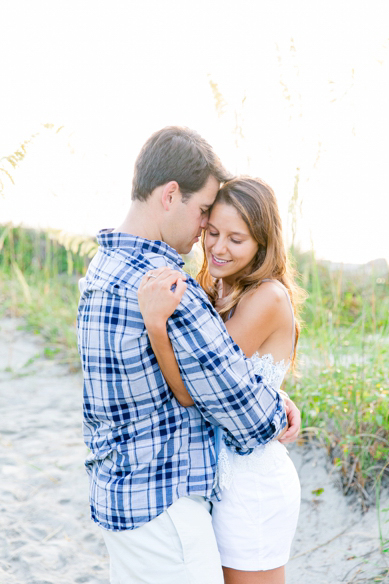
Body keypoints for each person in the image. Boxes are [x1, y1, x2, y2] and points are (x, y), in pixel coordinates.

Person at [77, 126, 301, 584]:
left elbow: (217, 390)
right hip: (169, 499)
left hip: (153, 490)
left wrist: (273, 399)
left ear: (261, 242)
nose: (208, 237)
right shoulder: (175, 288)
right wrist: (275, 407)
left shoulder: (104, 268)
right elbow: (236, 406)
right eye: (206, 218)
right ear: (170, 194)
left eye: (232, 237)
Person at [137, 176, 305, 584]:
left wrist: (156, 325)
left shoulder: (267, 297)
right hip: (220, 481)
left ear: (261, 245)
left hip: (254, 487)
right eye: (212, 232)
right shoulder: (215, 287)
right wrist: (281, 397)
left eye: (236, 239)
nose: (217, 247)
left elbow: (193, 390)